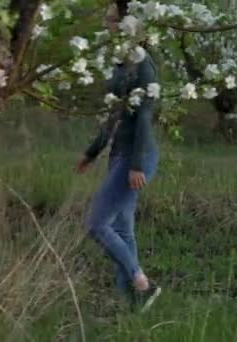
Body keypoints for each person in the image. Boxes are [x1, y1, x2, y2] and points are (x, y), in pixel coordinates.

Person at [76, 3, 161, 312]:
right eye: (107, 19)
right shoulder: (120, 64)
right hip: (118, 154)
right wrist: (92, 151)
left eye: (112, 20)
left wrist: (136, 165)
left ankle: (142, 282)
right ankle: (134, 304)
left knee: (97, 224)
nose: (106, 24)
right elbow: (114, 115)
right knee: (124, 230)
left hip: (137, 157)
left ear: (129, 26)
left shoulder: (144, 66)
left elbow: (144, 119)